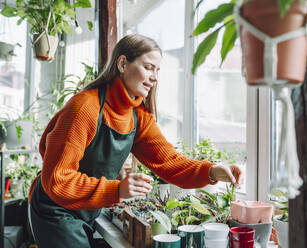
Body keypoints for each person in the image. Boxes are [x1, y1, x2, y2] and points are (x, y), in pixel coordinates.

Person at [28, 34, 243, 247]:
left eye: (157, 70)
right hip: (54, 211)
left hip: (86, 208)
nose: (155, 77)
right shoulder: (85, 108)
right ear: (122, 63)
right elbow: (58, 180)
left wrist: (212, 171)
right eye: (149, 67)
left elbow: (169, 162)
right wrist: (117, 190)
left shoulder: (137, 116)